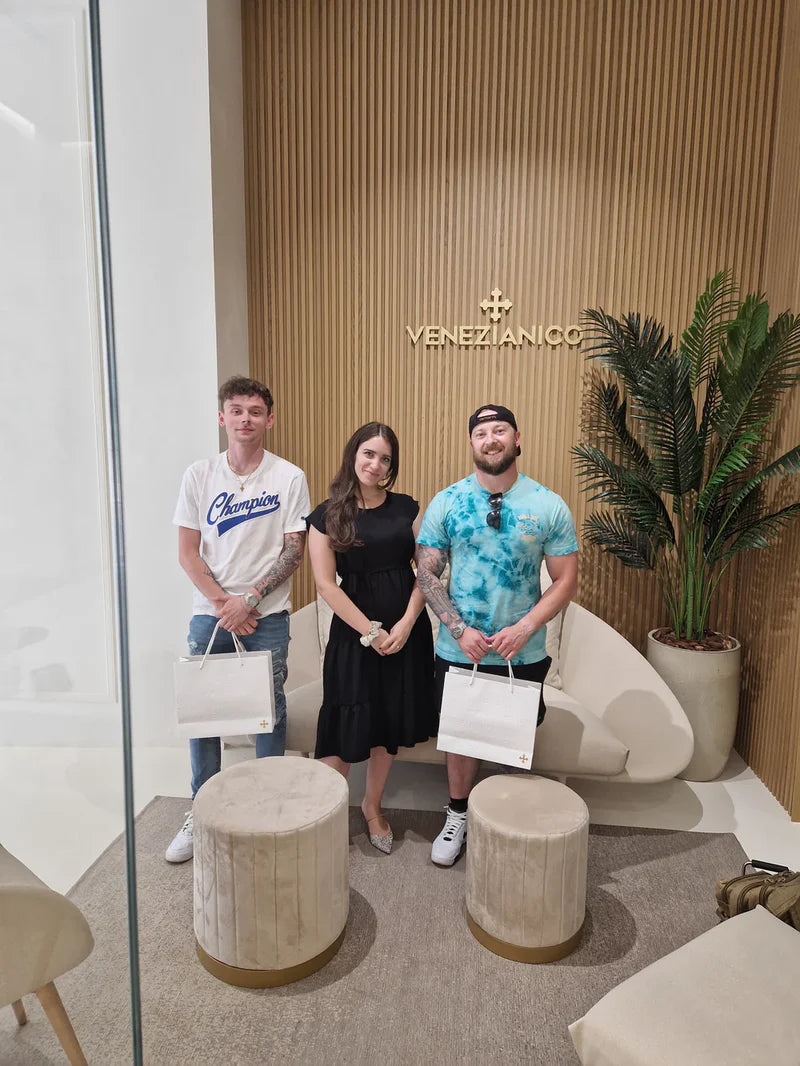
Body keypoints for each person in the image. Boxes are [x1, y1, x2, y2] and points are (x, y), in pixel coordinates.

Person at [416, 404, 579, 866]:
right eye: (482, 433)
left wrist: (525, 627)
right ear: (472, 443)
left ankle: (511, 820)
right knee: (460, 736)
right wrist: (458, 628)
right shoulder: (448, 501)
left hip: (520, 652)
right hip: (459, 648)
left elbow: (566, 580)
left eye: (500, 430)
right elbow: (426, 574)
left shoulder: (546, 504)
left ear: (516, 438)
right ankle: (458, 814)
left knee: (514, 742)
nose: (491, 439)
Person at [166, 375, 311, 862]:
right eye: (236, 410)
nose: (245, 418)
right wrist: (224, 604)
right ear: (222, 417)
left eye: (255, 411)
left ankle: (268, 806)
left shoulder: (288, 476)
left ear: (270, 419)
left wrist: (248, 600)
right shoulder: (199, 475)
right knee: (203, 712)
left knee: (268, 709)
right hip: (210, 615)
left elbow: (294, 551)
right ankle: (201, 809)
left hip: (266, 615)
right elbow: (188, 553)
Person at [306, 422, 436, 853]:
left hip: (404, 633)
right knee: (344, 721)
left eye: (385, 458)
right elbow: (325, 585)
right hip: (355, 634)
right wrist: (371, 631)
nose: (376, 464)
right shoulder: (327, 514)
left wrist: (406, 623)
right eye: (369, 454)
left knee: (387, 722)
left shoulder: (406, 508)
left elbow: (427, 572)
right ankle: (321, 815)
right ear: (353, 454)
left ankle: (372, 805)